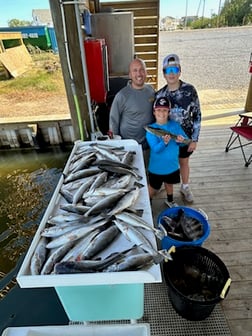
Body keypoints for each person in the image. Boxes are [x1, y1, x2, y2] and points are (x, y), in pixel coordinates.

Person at [155, 54, 201, 203]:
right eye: (168, 71)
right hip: (169, 139)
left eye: (175, 69)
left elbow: (198, 115)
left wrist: (194, 139)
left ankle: (185, 186)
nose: (172, 73)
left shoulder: (190, 90)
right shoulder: (160, 94)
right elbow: (157, 119)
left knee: (184, 162)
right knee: (169, 163)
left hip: (185, 139)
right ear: (163, 74)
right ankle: (167, 189)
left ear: (180, 71)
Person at [109, 58, 155, 165]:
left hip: (148, 145)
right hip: (128, 147)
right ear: (130, 75)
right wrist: (117, 145)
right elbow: (113, 120)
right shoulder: (122, 95)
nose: (139, 74)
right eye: (135, 70)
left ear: (146, 72)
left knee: (147, 176)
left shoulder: (151, 91)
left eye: (142, 70)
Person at [146, 96, 188, 208]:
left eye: (164, 110)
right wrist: (164, 143)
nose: (161, 113)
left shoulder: (175, 126)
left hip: (172, 166)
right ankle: (147, 202)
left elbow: (184, 141)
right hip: (156, 168)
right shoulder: (151, 129)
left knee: (169, 184)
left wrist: (181, 141)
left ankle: (170, 200)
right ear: (154, 112)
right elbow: (156, 149)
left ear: (169, 112)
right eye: (158, 110)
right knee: (153, 188)